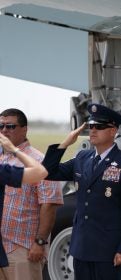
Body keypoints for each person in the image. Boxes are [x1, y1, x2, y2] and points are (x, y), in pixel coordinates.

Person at [42, 103, 121, 280]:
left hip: (110, 251)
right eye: (90, 126)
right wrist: (66, 142)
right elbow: (48, 172)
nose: (93, 130)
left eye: (99, 127)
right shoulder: (82, 158)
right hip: (82, 249)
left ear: (113, 131)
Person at [0, 108, 63, 280]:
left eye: (11, 126)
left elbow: (49, 204)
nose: (4, 130)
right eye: (1, 126)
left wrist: (40, 242)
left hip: (21, 248)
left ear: (24, 129)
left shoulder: (40, 161)